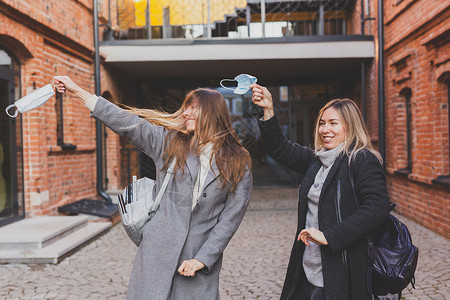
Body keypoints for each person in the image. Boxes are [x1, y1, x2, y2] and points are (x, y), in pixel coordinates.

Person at [53, 76, 253, 300]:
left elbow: (230, 218)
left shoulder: (238, 160)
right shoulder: (170, 143)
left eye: (193, 108)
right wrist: (78, 91)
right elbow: (127, 123)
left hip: (197, 262)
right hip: (156, 254)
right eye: (185, 108)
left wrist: (203, 258)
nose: (185, 113)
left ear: (212, 113)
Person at [251, 83, 391, 300]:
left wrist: (330, 236)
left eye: (334, 123)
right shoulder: (317, 161)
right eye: (322, 123)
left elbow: (377, 208)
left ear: (350, 127)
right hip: (309, 264)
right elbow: (280, 148)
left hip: (342, 267)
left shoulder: (362, 159)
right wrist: (268, 110)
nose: (325, 130)